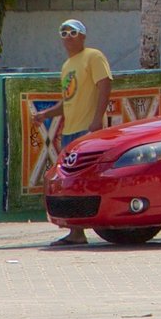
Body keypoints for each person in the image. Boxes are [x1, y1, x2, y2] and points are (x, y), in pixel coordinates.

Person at [49, 19, 113, 246]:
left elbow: (104, 85)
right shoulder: (67, 66)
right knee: (69, 182)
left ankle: (93, 227)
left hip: (87, 130)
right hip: (70, 130)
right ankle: (75, 232)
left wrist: (97, 120)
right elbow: (67, 100)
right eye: (63, 32)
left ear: (83, 36)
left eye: (73, 32)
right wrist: (45, 114)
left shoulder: (93, 57)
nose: (68, 36)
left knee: (86, 180)